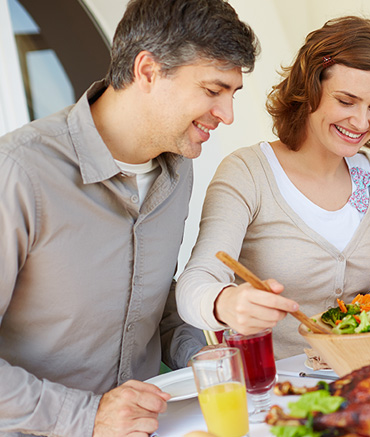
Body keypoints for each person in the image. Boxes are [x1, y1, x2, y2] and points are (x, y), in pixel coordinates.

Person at [0, 0, 258, 435]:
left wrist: (207, 349)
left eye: (233, 94)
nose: (227, 115)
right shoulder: (19, 172)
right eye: (213, 91)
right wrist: (88, 417)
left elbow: (151, 301)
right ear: (148, 71)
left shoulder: (178, 169)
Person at [176, 16, 370, 359]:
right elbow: (194, 284)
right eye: (346, 101)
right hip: (275, 392)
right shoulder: (248, 172)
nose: (362, 122)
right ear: (309, 90)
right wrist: (225, 302)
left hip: (368, 377)